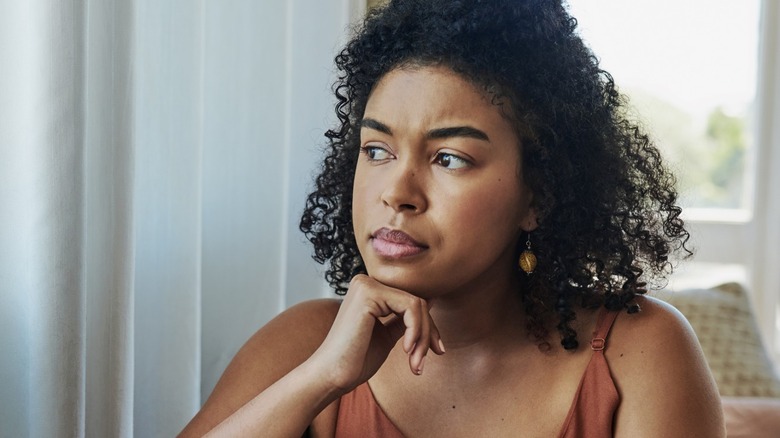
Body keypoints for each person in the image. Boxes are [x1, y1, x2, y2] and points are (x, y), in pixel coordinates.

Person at [180, 0, 724, 436]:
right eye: (376, 150)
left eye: (449, 159)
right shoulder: (305, 346)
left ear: (539, 195)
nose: (397, 193)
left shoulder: (640, 352)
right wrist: (322, 379)